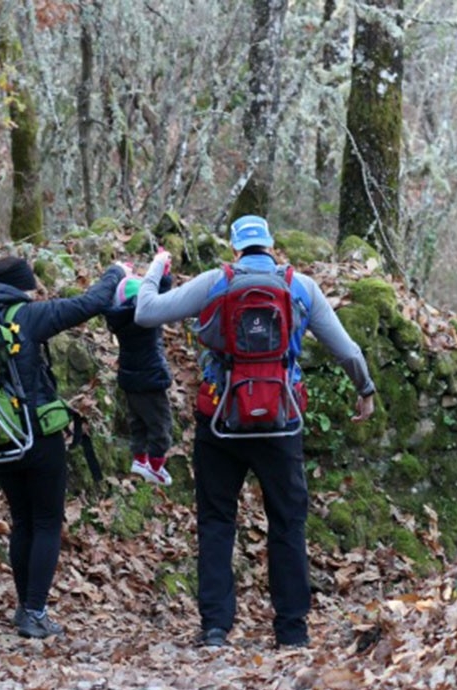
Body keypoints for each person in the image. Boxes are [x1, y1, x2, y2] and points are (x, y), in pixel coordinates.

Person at [134, 215, 376, 649]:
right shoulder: (300, 286)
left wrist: (154, 271)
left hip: (221, 418)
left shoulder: (215, 281)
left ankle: (214, 628)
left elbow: (146, 312)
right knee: (288, 522)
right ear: (271, 245)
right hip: (281, 423)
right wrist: (366, 389)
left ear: (234, 249)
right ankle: (292, 631)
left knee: (215, 520)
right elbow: (346, 349)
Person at [0, 255, 128, 639]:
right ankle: (33, 611)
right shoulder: (27, 315)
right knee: (47, 521)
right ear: (22, 287)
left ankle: (27, 607)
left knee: (22, 521)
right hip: (36, 433)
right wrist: (116, 272)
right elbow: (90, 303)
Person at [103, 255, 175, 486]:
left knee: (139, 422)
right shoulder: (146, 319)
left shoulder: (120, 319)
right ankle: (155, 466)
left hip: (130, 378)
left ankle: (140, 459)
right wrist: (163, 275)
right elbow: (160, 300)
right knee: (160, 423)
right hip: (151, 378)